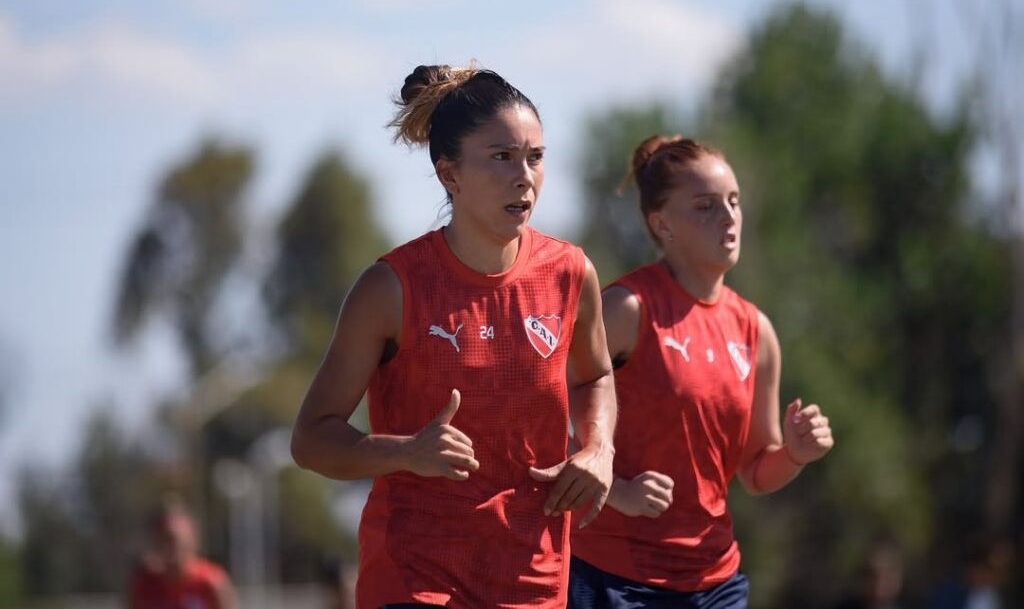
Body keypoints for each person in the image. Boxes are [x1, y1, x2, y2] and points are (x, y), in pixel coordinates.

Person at [290, 64, 617, 609]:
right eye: (501, 157)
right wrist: (407, 451)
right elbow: (311, 440)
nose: (524, 176)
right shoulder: (391, 289)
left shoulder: (570, 274)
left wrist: (599, 447)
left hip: (532, 577)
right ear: (449, 174)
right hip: (414, 576)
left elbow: (597, 375)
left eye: (535, 157)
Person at [569, 135, 835, 608]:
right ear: (662, 224)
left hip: (715, 583)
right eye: (706, 206)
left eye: (734, 201)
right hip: (613, 578)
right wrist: (617, 491)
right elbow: (540, 414)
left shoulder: (756, 331)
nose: (728, 217)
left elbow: (756, 472)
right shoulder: (628, 309)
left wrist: (794, 454)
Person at [128, 496, 235, 609]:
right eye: (163, 540)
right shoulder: (144, 585)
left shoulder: (211, 583)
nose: (171, 548)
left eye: (174, 539)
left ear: (193, 537)